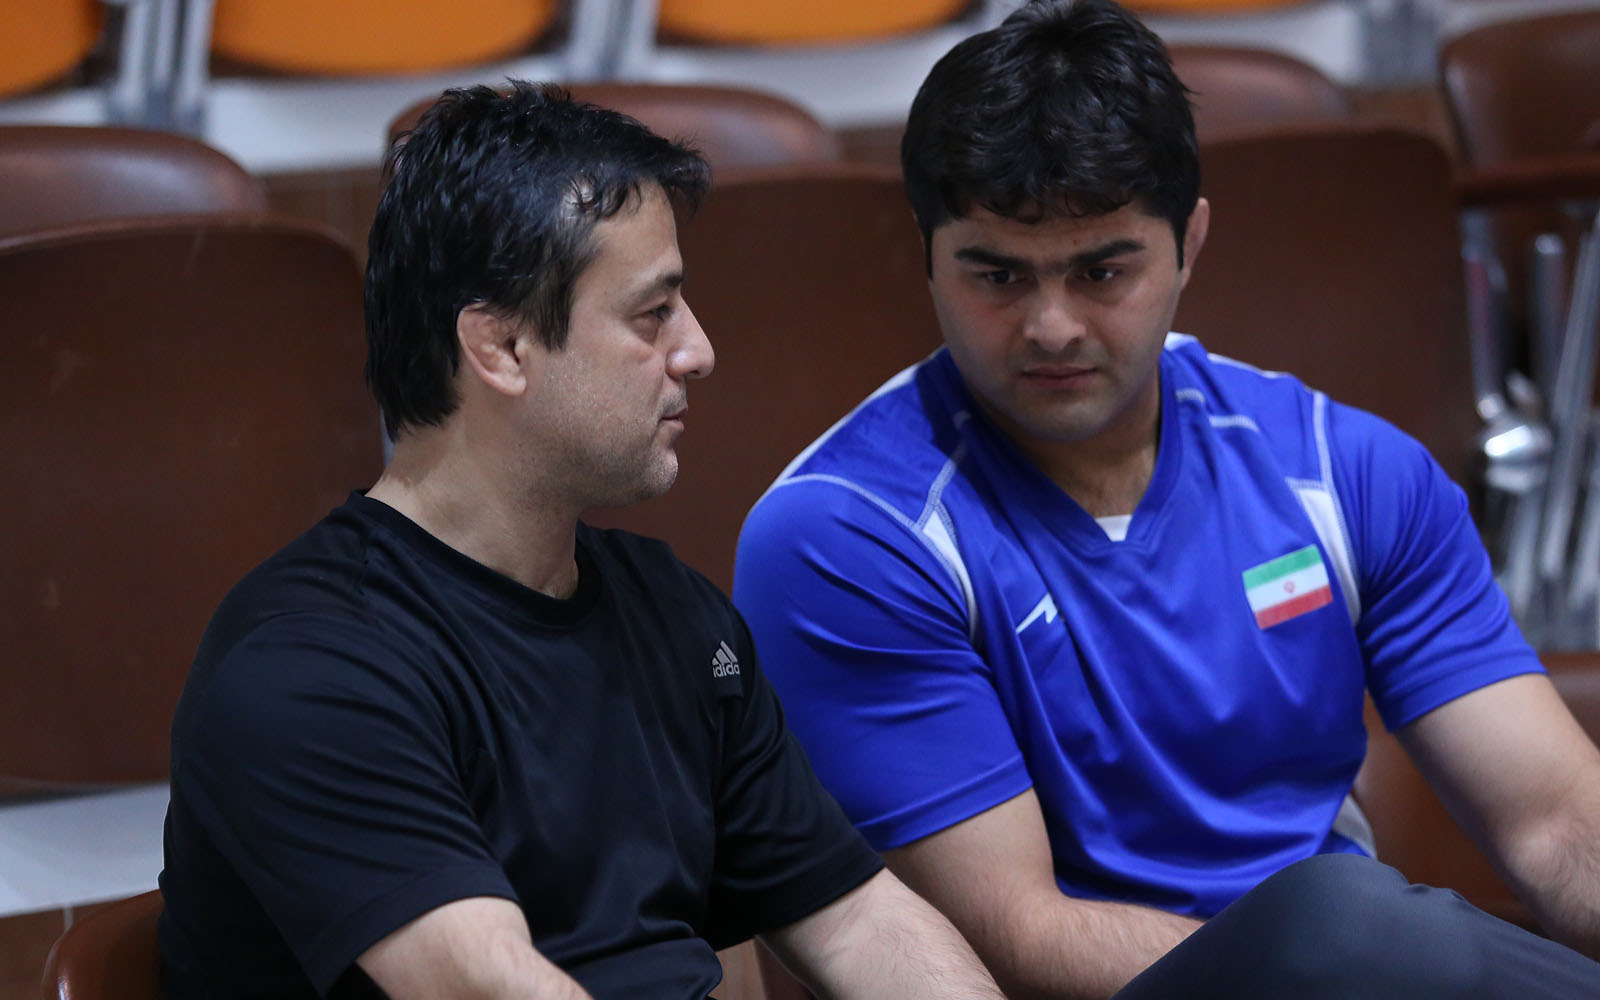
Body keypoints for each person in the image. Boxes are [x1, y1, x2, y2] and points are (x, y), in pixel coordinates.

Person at [732, 1, 1600, 997]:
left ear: (1190, 241)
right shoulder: (848, 534)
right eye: (997, 275)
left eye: (1102, 270)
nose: (1051, 326)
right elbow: (1013, 932)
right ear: (926, 253)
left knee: (1347, 920)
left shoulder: (1343, 470)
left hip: (1360, 968)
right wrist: (1329, 969)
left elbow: (1556, 821)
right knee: (1337, 920)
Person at [157, 82, 1004, 1000]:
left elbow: (858, 920)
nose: (699, 351)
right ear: (501, 349)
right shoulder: (309, 665)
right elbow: (488, 988)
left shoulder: (674, 613)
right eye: (652, 314)